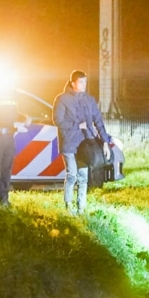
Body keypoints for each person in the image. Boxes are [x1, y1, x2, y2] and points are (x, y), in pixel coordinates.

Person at [53, 70, 114, 215]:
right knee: (72, 174)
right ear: (73, 83)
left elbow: (98, 120)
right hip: (69, 142)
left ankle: (81, 208)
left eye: (85, 82)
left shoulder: (89, 100)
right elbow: (58, 120)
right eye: (81, 82)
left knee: (83, 177)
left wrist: (105, 141)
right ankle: (68, 205)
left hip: (85, 144)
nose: (84, 85)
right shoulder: (62, 99)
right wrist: (76, 126)